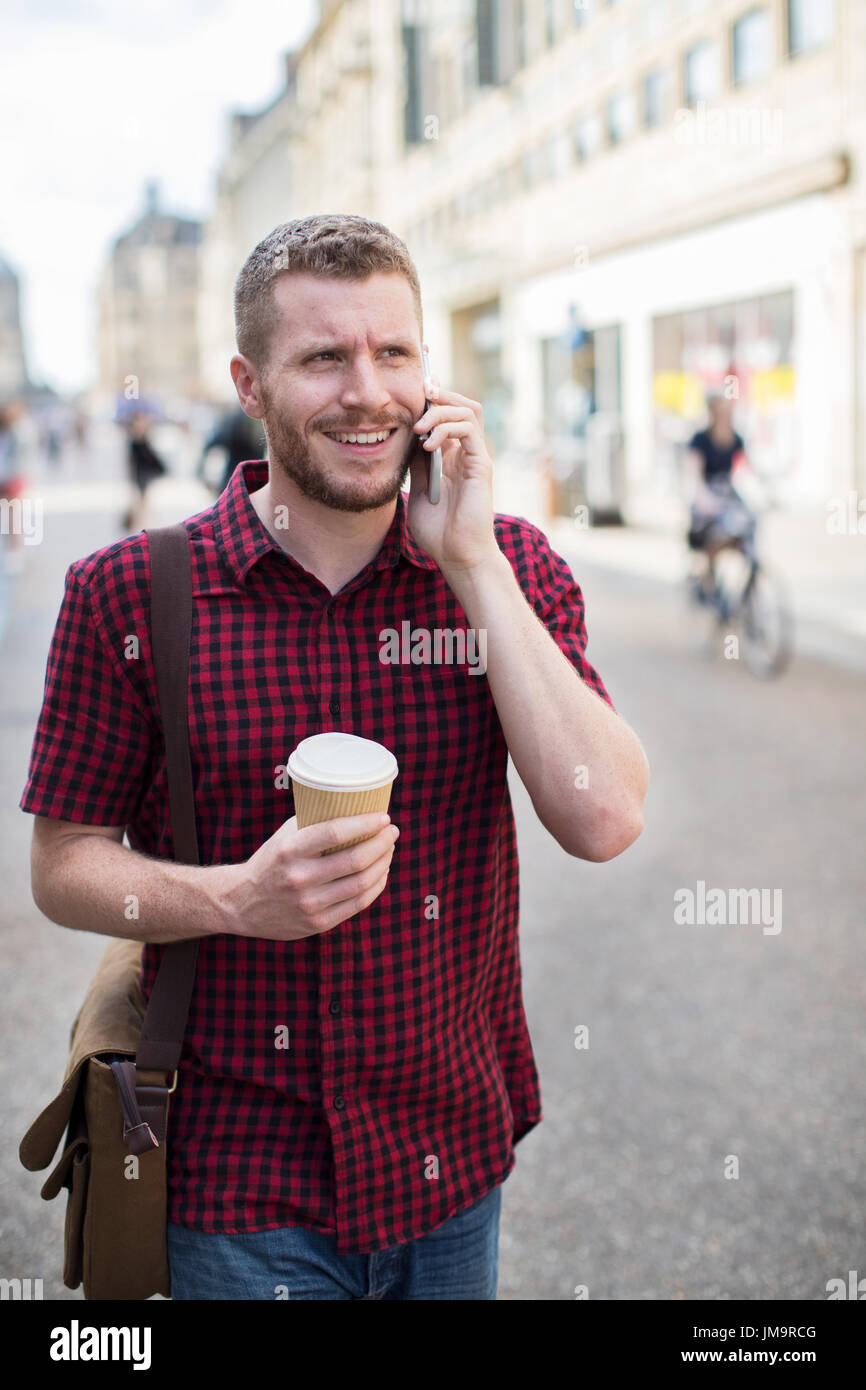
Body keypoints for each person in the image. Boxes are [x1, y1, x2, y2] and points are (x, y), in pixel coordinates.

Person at [21, 213, 649, 1301]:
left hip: (447, 1163)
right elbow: (64, 864)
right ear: (250, 385)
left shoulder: (508, 568)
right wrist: (232, 898)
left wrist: (474, 564)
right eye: (323, 357)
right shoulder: (128, 591)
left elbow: (600, 820)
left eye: (394, 352)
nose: (369, 391)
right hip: (231, 1188)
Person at [684, 392, 757, 605]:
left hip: (728, 494)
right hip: (708, 497)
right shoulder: (700, 440)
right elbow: (693, 474)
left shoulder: (735, 438)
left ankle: (751, 579)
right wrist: (703, 497)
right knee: (714, 534)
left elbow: (748, 468)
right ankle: (708, 582)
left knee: (748, 523)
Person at [196, 403, 266, 494]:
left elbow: (210, 444)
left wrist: (200, 471)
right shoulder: (254, 430)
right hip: (251, 486)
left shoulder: (233, 424)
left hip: (233, 484)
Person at [121, 410, 168, 532]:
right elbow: (135, 460)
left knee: (144, 502)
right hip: (141, 474)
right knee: (141, 502)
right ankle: (140, 527)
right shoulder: (136, 441)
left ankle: (142, 526)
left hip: (146, 474)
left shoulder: (142, 439)